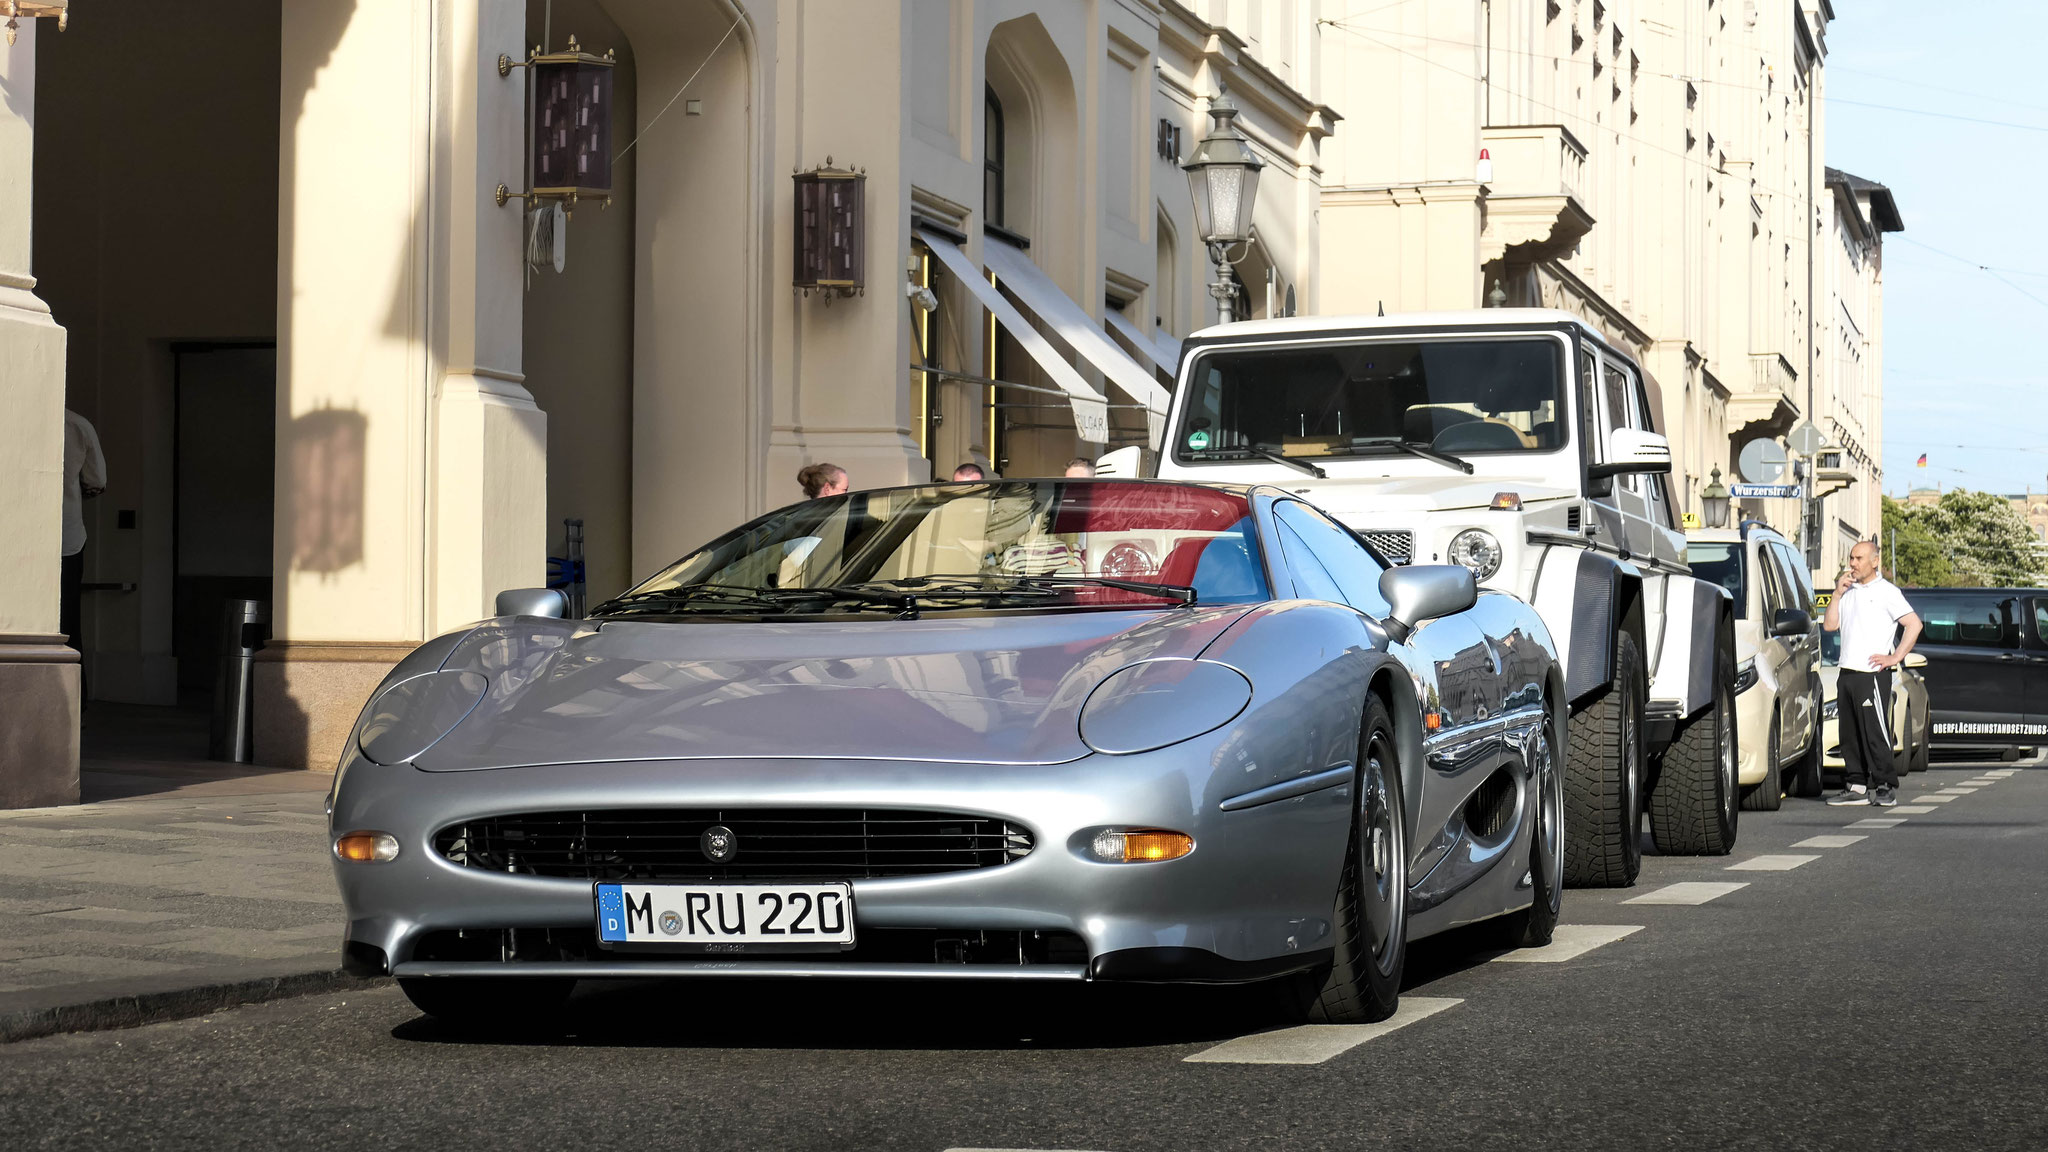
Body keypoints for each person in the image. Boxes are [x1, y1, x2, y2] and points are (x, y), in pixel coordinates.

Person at [1822, 539, 1922, 808]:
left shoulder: (1887, 592)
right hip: (1847, 670)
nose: (1853, 563)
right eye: (1851, 558)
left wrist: (1895, 657)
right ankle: (1855, 786)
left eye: (1859, 558)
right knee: (1849, 733)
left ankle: (1885, 786)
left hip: (1873, 673)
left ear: (1874, 561)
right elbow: (1830, 625)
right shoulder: (1848, 591)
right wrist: (1836, 594)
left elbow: (1913, 624)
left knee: (1875, 731)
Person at [60, 409, 107, 656]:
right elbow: (97, 482)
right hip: (67, 538)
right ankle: (76, 692)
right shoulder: (78, 425)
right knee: (68, 621)